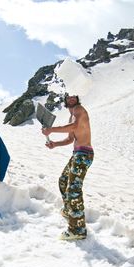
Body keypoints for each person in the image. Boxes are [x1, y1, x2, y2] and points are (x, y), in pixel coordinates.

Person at [42, 94, 94, 241]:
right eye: (68, 97)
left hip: (84, 154)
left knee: (73, 189)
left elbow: (75, 126)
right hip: (77, 154)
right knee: (63, 181)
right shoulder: (71, 117)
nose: (71, 98)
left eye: (74, 97)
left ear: (77, 99)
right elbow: (70, 138)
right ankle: (69, 210)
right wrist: (54, 144)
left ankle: (77, 229)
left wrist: (51, 129)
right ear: (65, 101)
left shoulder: (79, 110)